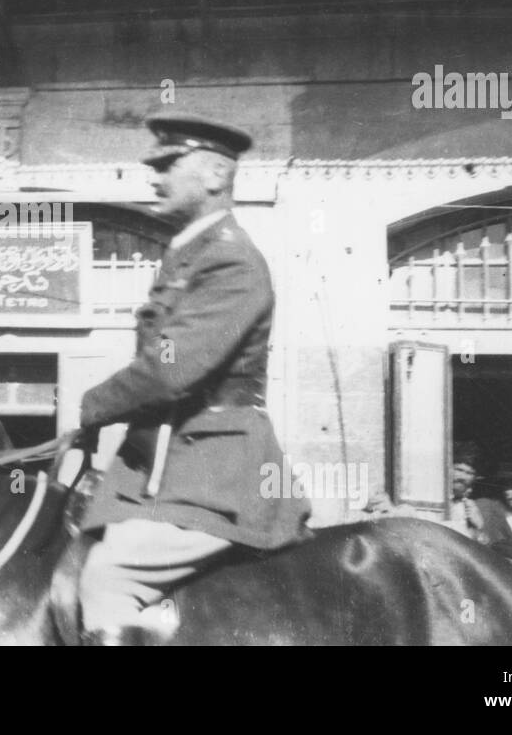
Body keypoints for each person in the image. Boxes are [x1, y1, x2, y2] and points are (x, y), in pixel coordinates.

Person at [75, 113, 312, 645]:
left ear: (214, 175)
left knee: (109, 577)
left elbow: (171, 368)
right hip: (164, 468)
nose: (154, 177)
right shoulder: (190, 254)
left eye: (167, 164)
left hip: (215, 472)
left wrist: (89, 406)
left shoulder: (232, 261)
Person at [441, 444, 488, 543]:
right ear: (449, 469)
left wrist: (479, 527)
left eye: (469, 473)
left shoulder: (472, 507)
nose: (463, 477)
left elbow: (481, 546)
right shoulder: (434, 499)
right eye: (459, 470)